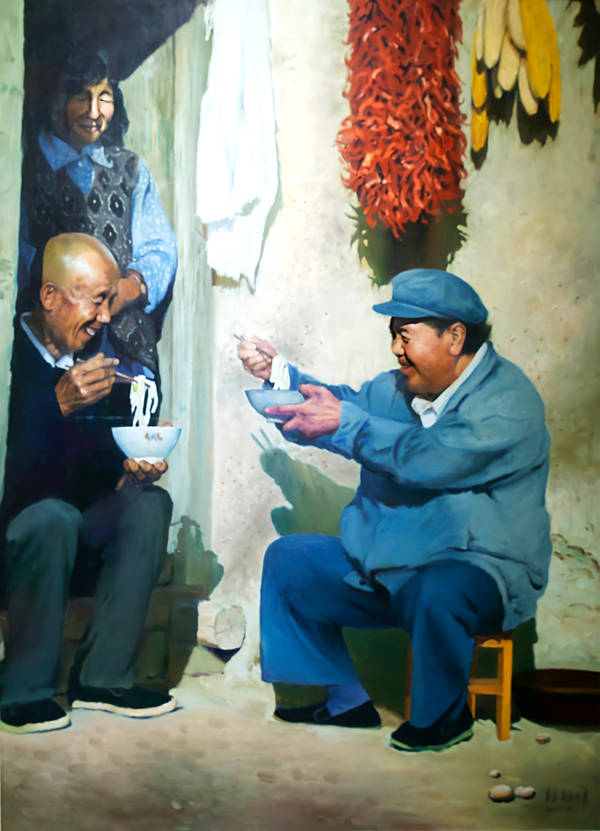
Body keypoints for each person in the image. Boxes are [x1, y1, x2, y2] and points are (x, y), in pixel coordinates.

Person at [237, 268, 552, 752]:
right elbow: (342, 407)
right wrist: (280, 376)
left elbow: (430, 458)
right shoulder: (399, 387)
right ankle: (347, 700)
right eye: (393, 336)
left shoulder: (508, 401)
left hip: (477, 572)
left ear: (454, 337)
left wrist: (347, 422)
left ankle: (443, 717)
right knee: (290, 560)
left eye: (405, 336)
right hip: (390, 568)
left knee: (438, 588)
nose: (395, 350)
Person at [0, 233, 175, 734]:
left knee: (148, 504)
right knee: (52, 517)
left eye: (108, 301)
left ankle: (103, 677)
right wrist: (55, 405)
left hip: (76, 538)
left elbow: (95, 466)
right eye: (97, 301)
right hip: (21, 544)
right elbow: (19, 473)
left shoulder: (95, 355)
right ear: (50, 296)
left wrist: (129, 471)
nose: (104, 317)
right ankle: (23, 689)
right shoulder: (13, 354)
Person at [18, 49, 177, 413]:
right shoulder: (25, 167)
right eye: (80, 97)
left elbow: (160, 249)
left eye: (103, 98)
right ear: (56, 99)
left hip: (123, 357)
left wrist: (128, 287)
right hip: (49, 358)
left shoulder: (130, 169)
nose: (94, 112)